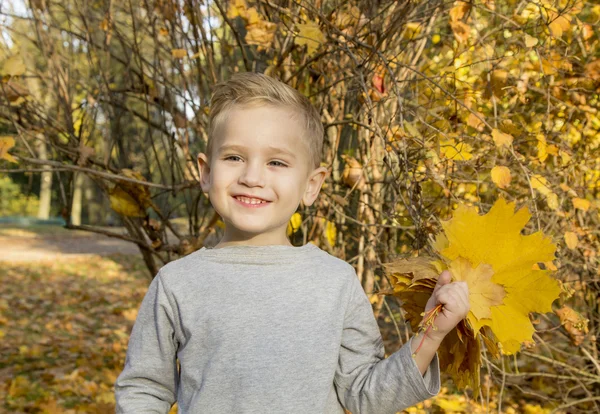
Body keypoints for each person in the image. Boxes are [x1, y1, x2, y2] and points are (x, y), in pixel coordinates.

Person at [115, 72, 470, 413]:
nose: (252, 177)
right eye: (234, 157)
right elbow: (144, 389)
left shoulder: (335, 282)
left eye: (276, 162)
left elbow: (366, 395)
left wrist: (432, 334)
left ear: (311, 185)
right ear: (207, 173)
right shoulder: (177, 283)